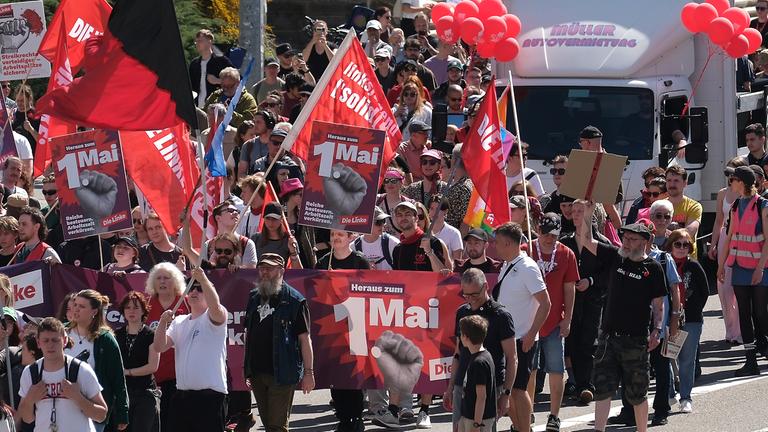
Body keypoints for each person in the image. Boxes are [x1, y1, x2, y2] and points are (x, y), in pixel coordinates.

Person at [592, 223, 667, 432]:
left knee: (637, 392)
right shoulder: (616, 258)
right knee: (603, 389)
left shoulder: (653, 268)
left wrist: (657, 329)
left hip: (635, 339)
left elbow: (658, 304)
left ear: (644, 242)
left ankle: (641, 430)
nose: (626, 242)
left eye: (632, 239)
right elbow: (587, 241)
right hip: (608, 337)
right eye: (625, 238)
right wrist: (587, 214)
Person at [245, 253, 314, 432]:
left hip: (282, 372)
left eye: (270, 268)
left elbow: (304, 339)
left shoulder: (295, 300)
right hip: (257, 372)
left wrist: (309, 373)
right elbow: (248, 334)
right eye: (262, 268)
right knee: (268, 424)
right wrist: (247, 369)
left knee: (277, 426)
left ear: (281, 271)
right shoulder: (253, 297)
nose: (265, 272)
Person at [493, 222, 551, 432]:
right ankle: (518, 428)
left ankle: (525, 429)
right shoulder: (508, 265)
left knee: (518, 390)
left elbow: (546, 303)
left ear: (508, 243)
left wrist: (531, 334)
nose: (495, 246)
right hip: (508, 338)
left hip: (522, 339)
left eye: (497, 242)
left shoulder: (527, 267)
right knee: (509, 391)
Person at [154, 267, 228, 432]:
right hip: (182, 396)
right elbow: (159, 346)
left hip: (210, 397)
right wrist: (161, 323)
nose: (194, 291)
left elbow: (214, 305)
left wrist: (203, 280)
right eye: (191, 287)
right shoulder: (179, 321)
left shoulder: (214, 317)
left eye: (199, 289)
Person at [441, 269, 516, 432]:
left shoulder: (501, 315)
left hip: (489, 388)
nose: (470, 300)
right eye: (466, 295)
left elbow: (512, 358)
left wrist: (506, 394)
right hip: (462, 386)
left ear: (486, 287)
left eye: (474, 294)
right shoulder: (462, 312)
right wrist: (450, 388)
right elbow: (457, 354)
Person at [559, 200, 616, 404]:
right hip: (571, 300)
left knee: (589, 341)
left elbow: (610, 272)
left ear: (591, 213)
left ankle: (587, 384)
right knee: (572, 341)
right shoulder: (564, 242)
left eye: (580, 211)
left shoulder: (601, 242)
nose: (575, 214)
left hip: (594, 299)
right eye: (573, 211)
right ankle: (576, 381)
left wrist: (590, 281)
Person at [525, 214, 578, 431]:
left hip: (555, 322)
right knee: (530, 370)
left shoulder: (566, 254)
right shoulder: (526, 249)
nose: (549, 239)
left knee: (556, 369)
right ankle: (527, 412)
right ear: (538, 230)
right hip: (530, 322)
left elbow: (569, 288)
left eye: (553, 235)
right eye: (545, 234)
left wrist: (568, 320)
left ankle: (554, 415)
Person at [314, 232, 370, 431]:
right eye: (332, 235)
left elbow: (368, 289)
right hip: (332, 326)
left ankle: (356, 416)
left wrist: (340, 281)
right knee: (336, 374)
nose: (335, 238)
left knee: (353, 373)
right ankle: (343, 417)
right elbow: (314, 291)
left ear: (349, 238)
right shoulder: (322, 262)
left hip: (355, 323)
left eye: (340, 234)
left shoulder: (359, 261)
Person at [717, 166, 768, 376]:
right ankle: (750, 361)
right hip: (738, 268)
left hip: (759, 269)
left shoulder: (763, 206)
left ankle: (763, 345)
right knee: (745, 316)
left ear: (743, 182)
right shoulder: (737, 205)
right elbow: (728, 238)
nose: (730, 183)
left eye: (733, 179)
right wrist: (720, 266)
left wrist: (759, 269)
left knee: (760, 314)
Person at [18, 317, 108, 432]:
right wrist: (30, 400)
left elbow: (101, 416)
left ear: (65, 340)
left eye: (55, 340)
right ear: (38, 342)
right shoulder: (31, 372)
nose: (50, 345)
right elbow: (27, 418)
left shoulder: (80, 370)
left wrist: (78, 398)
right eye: (46, 340)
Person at [66, 290, 129, 432]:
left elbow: (118, 378)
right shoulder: (62, 333)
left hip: (92, 408)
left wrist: (122, 412)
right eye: (75, 305)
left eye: (82, 306)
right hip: (64, 406)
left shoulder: (105, 339)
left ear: (94, 311)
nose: (76, 309)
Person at [663, 229, 709, 414]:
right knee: (667, 357)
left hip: (691, 320)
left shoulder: (694, 266)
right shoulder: (664, 263)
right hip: (670, 319)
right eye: (678, 244)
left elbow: (705, 292)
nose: (682, 248)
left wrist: (692, 310)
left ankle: (686, 398)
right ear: (671, 245)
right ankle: (669, 393)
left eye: (686, 245)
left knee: (687, 360)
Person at [144, 263, 190, 432]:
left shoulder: (186, 302)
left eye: (167, 278)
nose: (162, 282)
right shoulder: (146, 305)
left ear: (176, 280)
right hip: (156, 376)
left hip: (182, 375)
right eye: (158, 278)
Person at [709, 157, 748, 345]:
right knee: (724, 288)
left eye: (734, 172)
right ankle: (731, 331)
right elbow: (718, 220)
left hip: (743, 241)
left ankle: (743, 332)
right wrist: (714, 243)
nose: (730, 176)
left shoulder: (746, 194)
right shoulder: (722, 193)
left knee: (739, 288)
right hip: (725, 238)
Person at [115, 292, 160, 432]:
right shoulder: (116, 334)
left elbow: (153, 366)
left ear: (143, 310)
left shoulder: (151, 335)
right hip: (123, 394)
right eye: (128, 308)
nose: (131, 311)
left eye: (135, 307)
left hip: (145, 393)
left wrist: (126, 372)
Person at [457, 315, 497, 432]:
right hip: (470, 415)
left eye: (461, 333)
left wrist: (477, 424)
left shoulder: (478, 363)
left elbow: (481, 397)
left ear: (465, 337)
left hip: (478, 419)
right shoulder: (484, 355)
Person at [189, 29, 234, 108]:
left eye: (200, 41)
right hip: (197, 107)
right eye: (196, 41)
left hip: (216, 108)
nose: (197, 44)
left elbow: (237, 80)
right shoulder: (194, 64)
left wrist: (218, 81)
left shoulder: (221, 61)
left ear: (210, 42)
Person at [665, 165, 702, 259]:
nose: (672, 184)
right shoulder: (659, 205)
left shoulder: (694, 206)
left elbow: (688, 233)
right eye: (669, 180)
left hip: (687, 260)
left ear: (685, 183)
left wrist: (664, 232)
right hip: (665, 259)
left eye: (676, 181)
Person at [238, 111, 276, 177]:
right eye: (254, 122)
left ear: (269, 124)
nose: (255, 125)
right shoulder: (248, 145)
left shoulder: (279, 144)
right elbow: (241, 174)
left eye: (258, 122)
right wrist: (254, 180)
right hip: (255, 185)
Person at [428, 195, 463, 261]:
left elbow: (457, 262)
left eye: (438, 209)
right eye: (431, 208)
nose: (434, 212)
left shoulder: (454, 233)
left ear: (446, 211)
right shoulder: (423, 230)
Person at [11, 84, 39, 156]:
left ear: (29, 99)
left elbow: (43, 142)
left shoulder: (38, 115)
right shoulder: (13, 114)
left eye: (22, 100)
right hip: (17, 158)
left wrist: (31, 129)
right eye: (17, 100)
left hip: (33, 158)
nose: (19, 103)